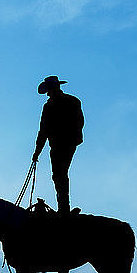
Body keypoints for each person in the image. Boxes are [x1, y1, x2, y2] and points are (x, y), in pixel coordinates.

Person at [32, 76, 84, 216]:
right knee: (61, 174)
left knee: (58, 175)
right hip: (70, 143)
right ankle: (64, 208)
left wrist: (37, 152)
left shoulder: (49, 106)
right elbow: (80, 122)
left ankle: (64, 209)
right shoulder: (73, 100)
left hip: (58, 144)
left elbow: (43, 130)